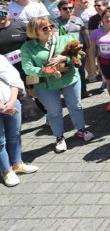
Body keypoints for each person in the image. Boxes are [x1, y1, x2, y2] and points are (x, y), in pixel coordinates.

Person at [21, 17, 94, 153]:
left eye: (50, 26)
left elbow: (81, 56)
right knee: (54, 112)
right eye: (44, 28)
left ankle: (81, 129)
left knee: (76, 106)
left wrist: (64, 58)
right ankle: (59, 137)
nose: (49, 29)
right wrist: (51, 71)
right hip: (46, 85)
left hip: (70, 79)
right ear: (34, 31)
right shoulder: (28, 47)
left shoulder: (65, 38)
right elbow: (27, 68)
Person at [0, 54, 38, 187]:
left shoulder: (1, 58)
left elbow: (14, 79)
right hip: (2, 105)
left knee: (14, 135)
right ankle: (6, 171)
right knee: (0, 142)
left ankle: (16, 164)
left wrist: (11, 102)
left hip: (11, 102)